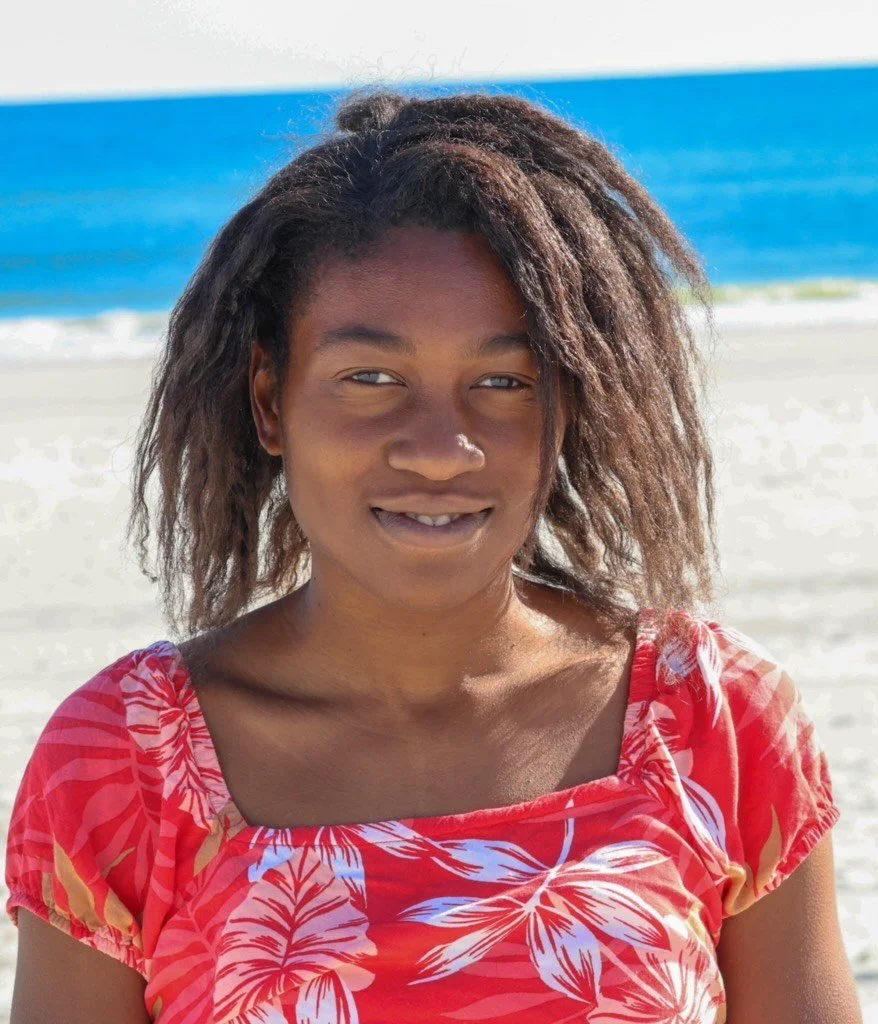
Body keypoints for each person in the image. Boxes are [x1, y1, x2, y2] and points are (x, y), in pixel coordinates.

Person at [4, 88, 862, 1024]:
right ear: (268, 400)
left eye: (504, 380)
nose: (441, 446)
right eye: (371, 378)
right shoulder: (124, 760)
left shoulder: (714, 719)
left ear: (567, 404)